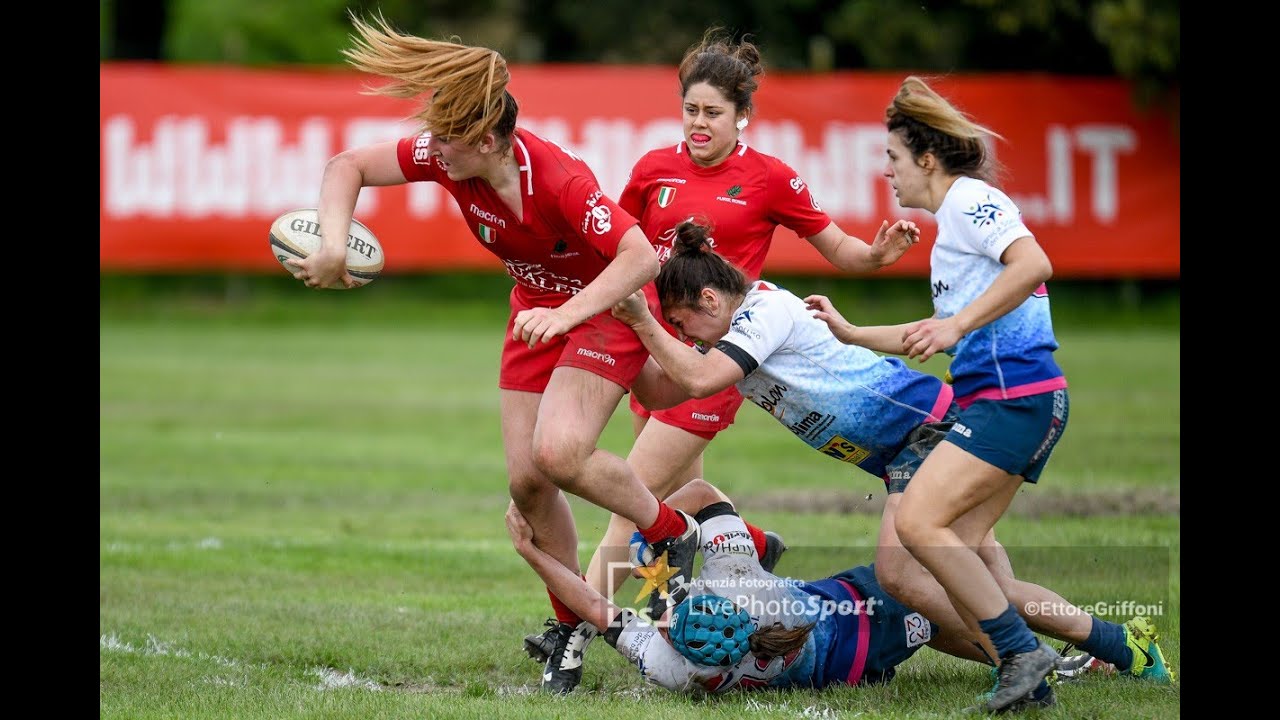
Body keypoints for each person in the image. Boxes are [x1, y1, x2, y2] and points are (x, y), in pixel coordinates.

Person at [289, 13, 702, 694]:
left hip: (603, 312)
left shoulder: (560, 180)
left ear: (486, 140)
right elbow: (347, 166)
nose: (433, 151)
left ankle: (670, 531)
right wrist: (334, 242)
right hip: (535, 316)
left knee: (561, 453)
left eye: (448, 141)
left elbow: (638, 259)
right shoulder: (451, 157)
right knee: (527, 484)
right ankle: (569, 631)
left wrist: (568, 312)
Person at [613, 219, 1173, 708]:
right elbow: (664, 391)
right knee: (987, 582)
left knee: (901, 574)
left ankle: (1035, 660)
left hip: (927, 432)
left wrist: (645, 323)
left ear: (711, 300)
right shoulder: (732, 330)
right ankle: (1117, 645)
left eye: (683, 326)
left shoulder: (763, 311)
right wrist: (628, 335)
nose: (683, 339)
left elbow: (699, 379)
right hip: (913, 444)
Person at [807, 75, 1174, 712]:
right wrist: (849, 330)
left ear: (926, 158)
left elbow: (1033, 264)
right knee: (963, 560)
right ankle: (1122, 644)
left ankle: (1022, 658)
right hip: (1009, 403)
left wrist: (956, 323)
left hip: (1015, 399)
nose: (887, 175)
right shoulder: (951, 231)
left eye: (893, 159)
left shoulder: (973, 200)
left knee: (920, 522)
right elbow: (933, 333)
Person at [579, 26, 920, 632]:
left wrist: (876, 255)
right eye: (691, 110)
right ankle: (746, 547)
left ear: (743, 118)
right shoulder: (653, 168)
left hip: (714, 368)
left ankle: (571, 627)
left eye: (714, 112)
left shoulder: (769, 178)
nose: (699, 123)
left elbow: (837, 246)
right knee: (672, 504)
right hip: (651, 357)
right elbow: (619, 248)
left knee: (627, 505)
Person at [509, 477, 963, 696]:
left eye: (666, 619)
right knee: (956, 584)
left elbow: (595, 608)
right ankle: (909, 475)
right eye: (669, 618)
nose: (663, 618)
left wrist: (532, 553)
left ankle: (1014, 647)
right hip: (859, 603)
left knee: (955, 609)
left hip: (858, 662)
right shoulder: (738, 583)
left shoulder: (678, 671)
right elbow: (705, 492)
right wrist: (653, 530)